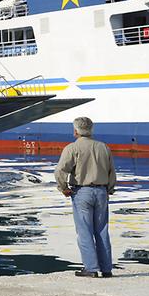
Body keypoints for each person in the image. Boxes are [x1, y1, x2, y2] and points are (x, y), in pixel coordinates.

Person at [54, 117, 117, 278]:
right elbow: (112, 172)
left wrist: (64, 188)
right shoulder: (103, 147)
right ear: (91, 129)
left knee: (84, 231)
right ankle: (106, 268)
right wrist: (109, 189)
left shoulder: (72, 148)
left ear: (75, 131)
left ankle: (91, 268)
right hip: (102, 191)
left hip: (82, 192)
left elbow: (60, 171)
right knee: (102, 230)